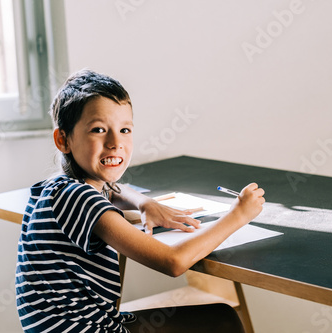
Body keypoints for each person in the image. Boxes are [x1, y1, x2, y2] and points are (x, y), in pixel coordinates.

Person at [15, 69, 265, 332]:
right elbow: (173, 262)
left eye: (124, 130)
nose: (115, 143)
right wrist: (238, 215)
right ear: (63, 140)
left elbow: (113, 190)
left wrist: (145, 204)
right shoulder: (79, 198)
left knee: (215, 316)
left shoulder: (57, 187)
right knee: (223, 321)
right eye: (99, 130)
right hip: (94, 328)